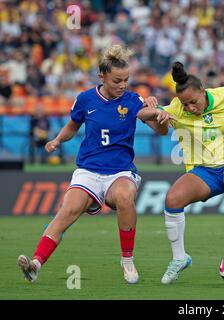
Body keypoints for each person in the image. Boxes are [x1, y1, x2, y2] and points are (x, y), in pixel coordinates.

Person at [17, 44, 173, 284]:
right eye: (117, 80)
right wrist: (57, 139)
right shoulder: (86, 99)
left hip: (120, 172)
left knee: (124, 197)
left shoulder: (133, 100)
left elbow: (159, 128)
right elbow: (72, 126)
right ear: (102, 76)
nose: (122, 85)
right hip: (88, 171)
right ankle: (36, 263)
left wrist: (158, 113)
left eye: (126, 80)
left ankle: (127, 260)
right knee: (67, 210)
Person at [138, 61, 224, 284]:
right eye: (185, 104)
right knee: (172, 199)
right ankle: (179, 257)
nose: (190, 107)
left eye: (193, 101)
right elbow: (143, 115)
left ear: (203, 91)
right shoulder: (177, 108)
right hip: (204, 172)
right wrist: (156, 114)